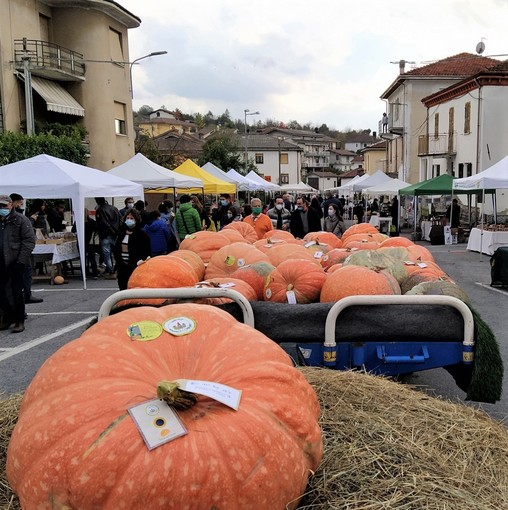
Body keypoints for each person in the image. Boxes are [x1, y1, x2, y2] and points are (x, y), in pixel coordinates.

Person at [0, 194, 35, 333]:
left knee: (16, 293)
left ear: (10, 205)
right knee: (1, 292)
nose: (2, 208)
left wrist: (21, 260)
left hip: (16, 261)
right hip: (1, 261)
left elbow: (28, 241)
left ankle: (19, 321)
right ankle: (9, 316)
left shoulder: (20, 220)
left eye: (4, 205)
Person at [10, 193, 43, 304]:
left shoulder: (19, 216)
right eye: (20, 203)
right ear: (14, 203)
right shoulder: (19, 218)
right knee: (19, 276)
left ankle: (26, 295)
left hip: (20, 251)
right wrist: (32, 220)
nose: (21, 205)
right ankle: (24, 297)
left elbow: (28, 237)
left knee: (26, 274)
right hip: (15, 251)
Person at [113, 209, 151, 290]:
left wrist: (141, 260)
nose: (129, 220)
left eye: (131, 218)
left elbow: (146, 250)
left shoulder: (141, 234)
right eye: (128, 218)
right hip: (122, 265)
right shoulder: (121, 232)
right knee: (122, 285)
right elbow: (117, 247)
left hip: (135, 264)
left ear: (136, 220)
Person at [94, 197, 121, 278]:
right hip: (115, 233)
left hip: (105, 234)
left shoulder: (100, 210)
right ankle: (116, 268)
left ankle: (110, 269)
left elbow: (103, 222)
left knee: (107, 253)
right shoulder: (114, 208)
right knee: (117, 252)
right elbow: (120, 219)